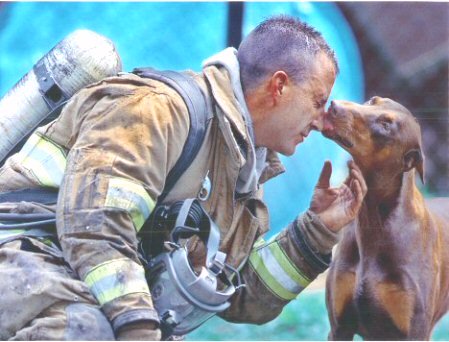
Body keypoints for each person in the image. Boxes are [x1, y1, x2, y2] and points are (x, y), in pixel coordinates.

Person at [0, 15, 367, 340]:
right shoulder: (158, 110)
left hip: (82, 278)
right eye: (318, 102)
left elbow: (233, 295)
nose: (321, 122)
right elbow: (97, 226)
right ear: (279, 86)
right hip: (25, 251)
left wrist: (316, 231)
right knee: (86, 331)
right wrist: (139, 326)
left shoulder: (239, 171)